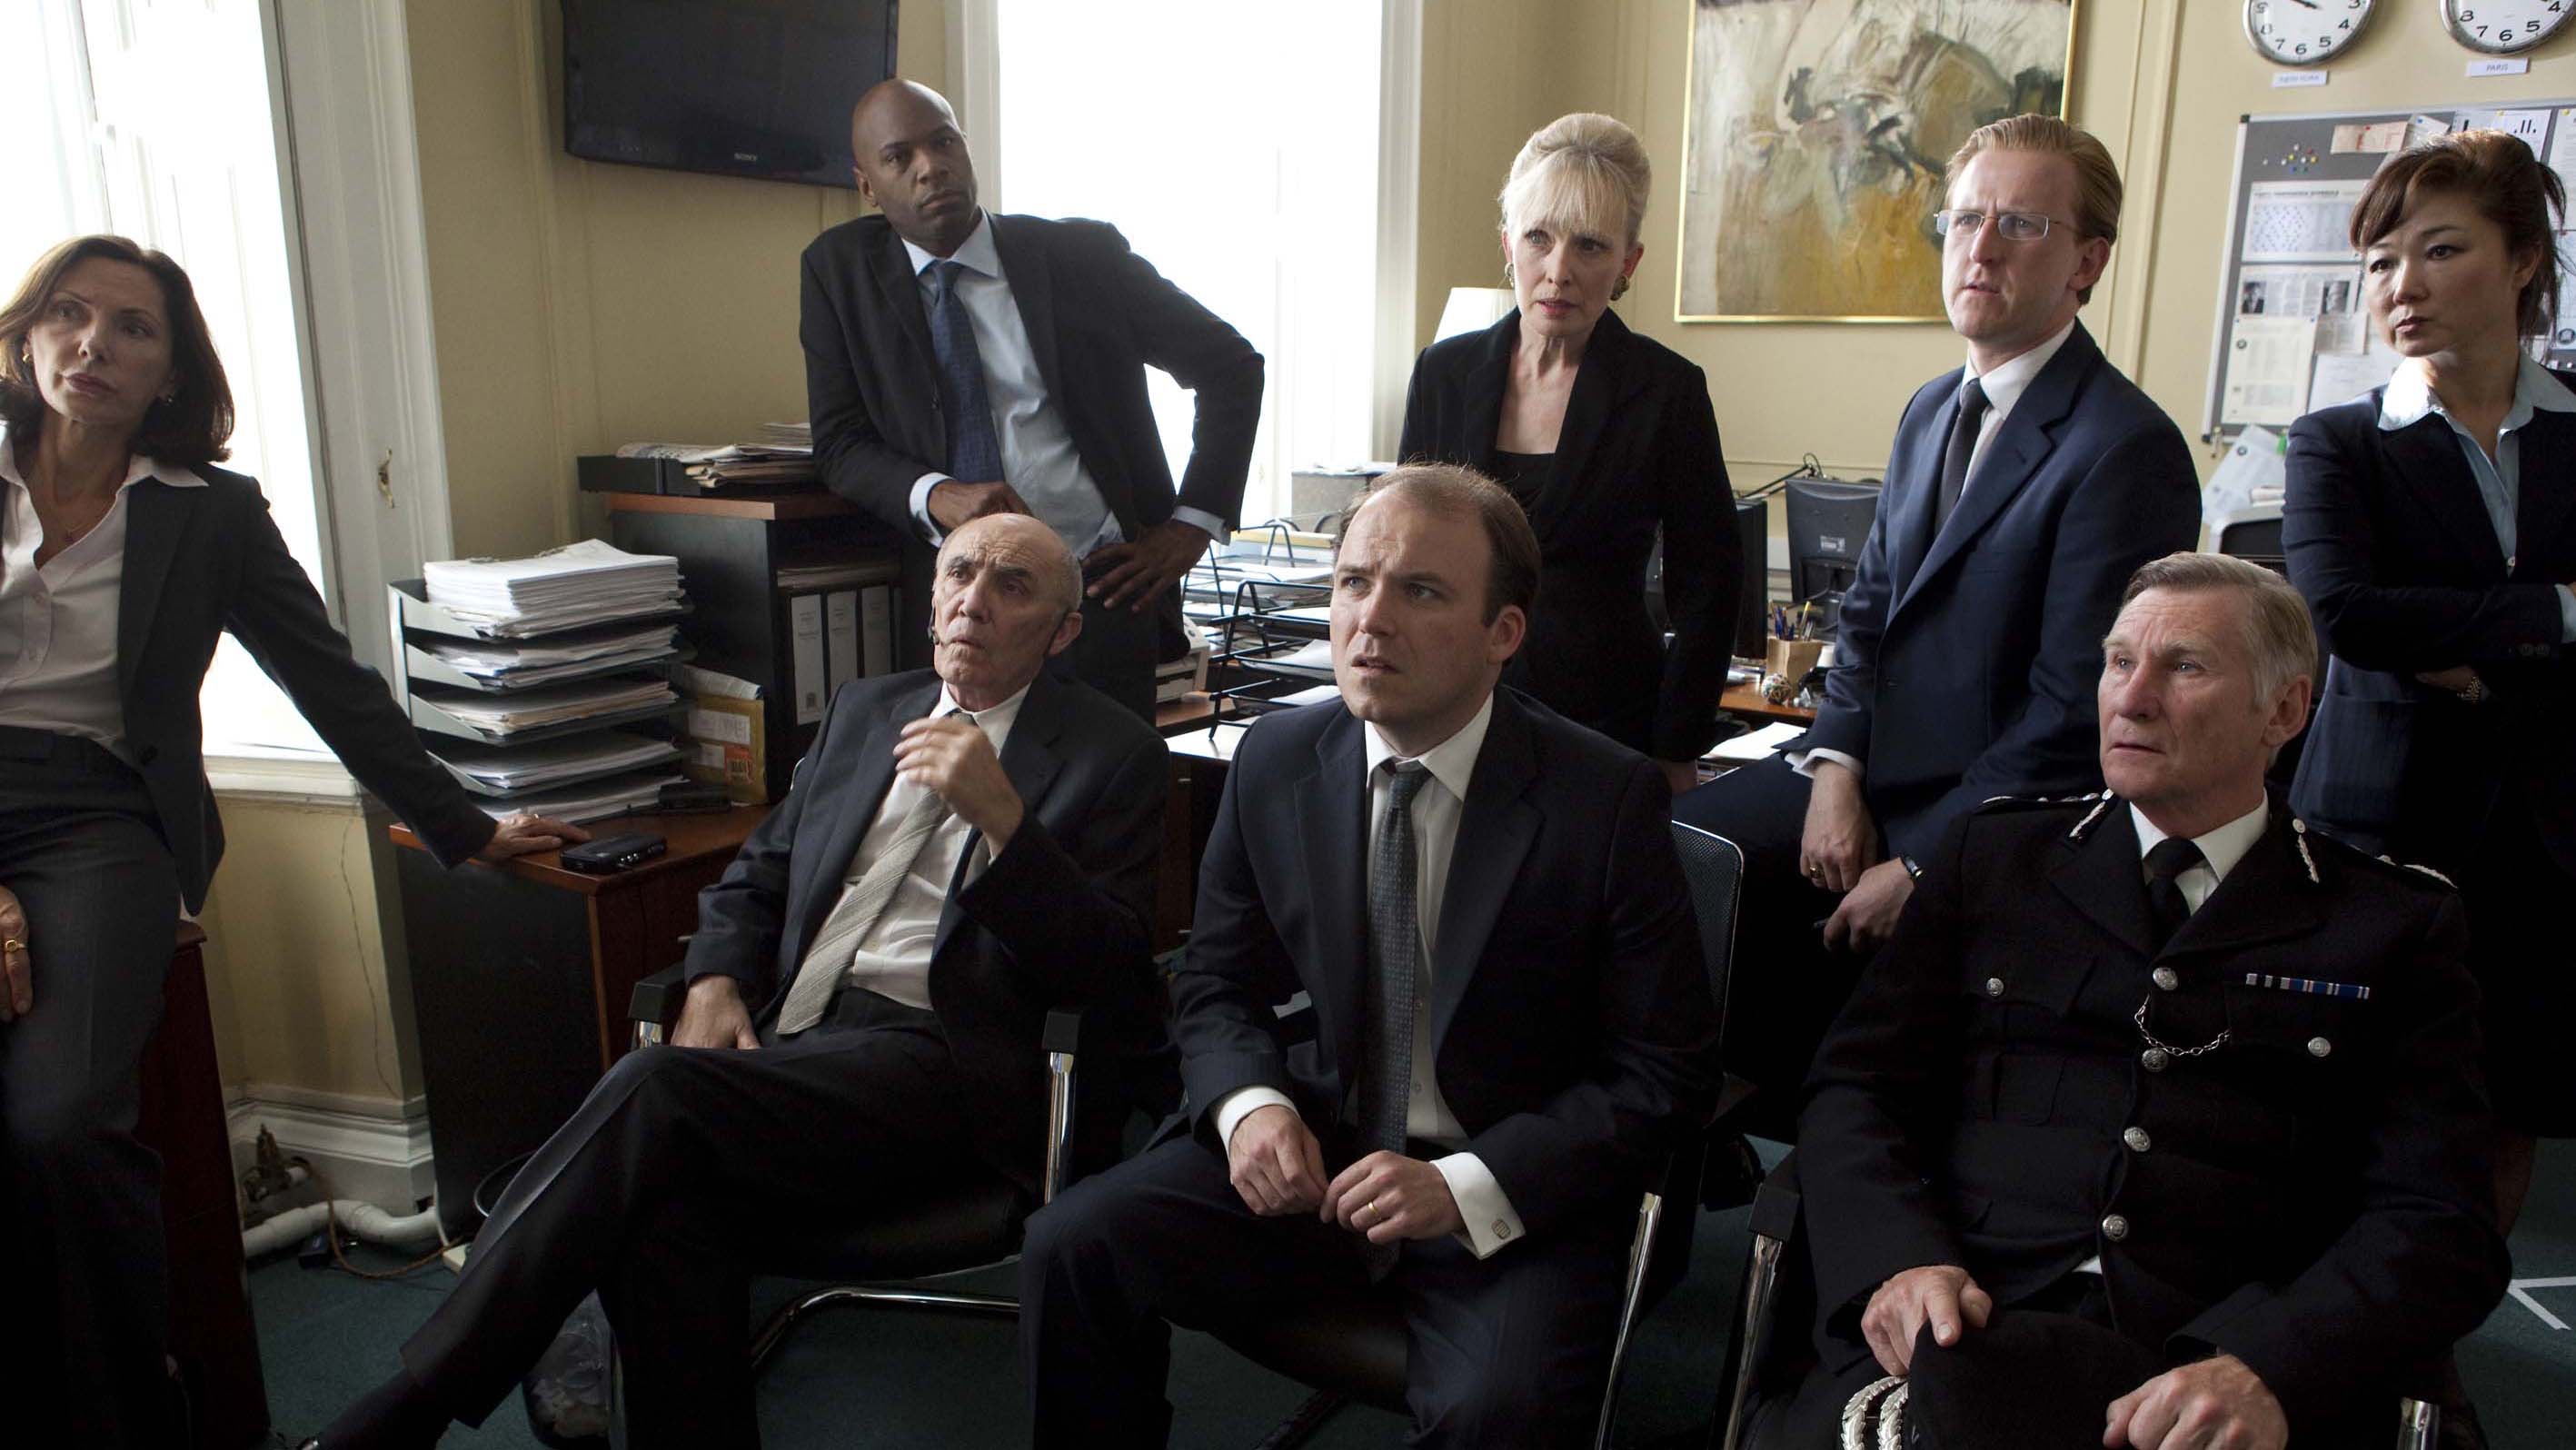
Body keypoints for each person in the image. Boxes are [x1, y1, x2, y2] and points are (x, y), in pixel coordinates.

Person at [307, 512, 1169, 1448]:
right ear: (931, 596)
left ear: (1063, 631)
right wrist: (715, 980)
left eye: (1013, 586)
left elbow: (1112, 975)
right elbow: (759, 873)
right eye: (959, 573)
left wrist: (1007, 827)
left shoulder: (1112, 752)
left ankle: (408, 1409)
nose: (974, 601)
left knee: (654, 1089)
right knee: (665, 1212)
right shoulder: (867, 710)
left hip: (949, 1063)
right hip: (801, 1045)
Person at [0, 234, 582, 1445]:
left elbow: (330, 681)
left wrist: (461, 826)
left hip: (99, 816)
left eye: (132, 327)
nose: (93, 343)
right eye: (68, 313)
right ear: (26, 335)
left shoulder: (209, 515)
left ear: (171, 372)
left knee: (58, 1126)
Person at [1018, 463, 1717, 1447]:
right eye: (1353, 582)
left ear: (1503, 633)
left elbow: (1662, 1075)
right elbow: (1215, 983)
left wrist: (1463, 1185)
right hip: (1316, 1151)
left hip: (1500, 1180)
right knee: (1071, 1246)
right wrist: (1249, 1108)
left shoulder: (1602, 800)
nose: (1369, 620)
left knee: (1497, 1413)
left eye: (1420, 591)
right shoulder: (1275, 759)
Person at [1750, 553, 2507, 1449]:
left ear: (2284, 711)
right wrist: (1898, 1259)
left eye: (2184, 666)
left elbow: (2437, 1216)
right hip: (1965, 1323)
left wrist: (2273, 1364)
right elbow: (1856, 1090)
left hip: (2212, 1364)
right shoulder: (1992, 860)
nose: (2132, 699)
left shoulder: (2388, 924)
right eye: (2118, 662)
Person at [1673, 114, 2198, 1121]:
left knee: (1850, 973)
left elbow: (2074, 712)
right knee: (1673, 852)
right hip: (1875, 774)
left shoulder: (2123, 448)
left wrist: (1923, 861)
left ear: (2088, 262)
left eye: (2021, 224)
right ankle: (1699, 1128)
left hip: (1996, 815)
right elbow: (1866, 614)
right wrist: (1834, 770)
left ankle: (1815, 1144)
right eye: (1963, 219)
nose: (1981, 247)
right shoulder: (1930, 408)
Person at [2283, 128, 2574, 1233]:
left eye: (2441, 251)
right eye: (2380, 262)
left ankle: (2451, 1318)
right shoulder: (2338, 443)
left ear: (2523, 261)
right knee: (2342, 1105)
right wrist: (2557, 612)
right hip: (2381, 826)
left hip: (2551, 833)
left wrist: (2461, 647)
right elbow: (2347, 616)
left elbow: (2401, 618)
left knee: (2508, 1104)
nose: (2401, 287)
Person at [801, 78, 1264, 720]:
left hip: (1097, 589)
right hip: (956, 606)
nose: (930, 168)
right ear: (867, 187)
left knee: (1105, 780)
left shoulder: (1081, 258)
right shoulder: (839, 271)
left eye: (944, 143)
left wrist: (1193, 524)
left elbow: (1230, 366)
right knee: (963, 779)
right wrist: (937, 494)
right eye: (899, 157)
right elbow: (840, 443)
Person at [1397, 113, 1738, 791]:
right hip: (1451, 714)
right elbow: (1404, 551)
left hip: (1607, 726)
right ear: (1508, 245)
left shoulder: (1666, 390)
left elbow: (1709, 586)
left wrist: (1676, 748)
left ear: (1627, 264)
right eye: (1538, 238)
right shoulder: (1443, 372)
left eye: (1589, 246)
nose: (1558, 272)